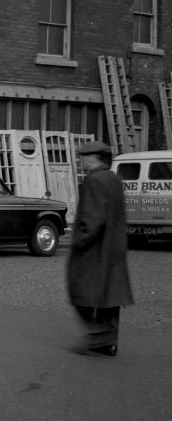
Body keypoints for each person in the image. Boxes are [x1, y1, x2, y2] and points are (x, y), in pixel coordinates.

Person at [66, 140, 133, 357]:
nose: (82, 159)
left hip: (94, 250)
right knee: (109, 295)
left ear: (95, 158)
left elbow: (92, 219)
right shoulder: (114, 179)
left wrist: (79, 241)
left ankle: (97, 336)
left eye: (85, 156)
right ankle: (109, 342)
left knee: (80, 290)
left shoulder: (93, 181)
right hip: (114, 248)